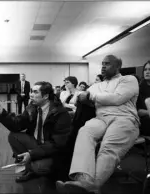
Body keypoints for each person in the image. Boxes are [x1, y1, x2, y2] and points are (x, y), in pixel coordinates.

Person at [56, 55, 139, 194]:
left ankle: (92, 186)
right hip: (101, 118)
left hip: (124, 118)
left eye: (107, 64)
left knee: (108, 147)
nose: (103, 66)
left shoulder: (129, 79)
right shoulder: (96, 85)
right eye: (102, 64)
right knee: (84, 132)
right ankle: (83, 181)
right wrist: (88, 96)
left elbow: (117, 98)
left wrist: (90, 96)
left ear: (118, 67)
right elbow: (77, 98)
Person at [0, 81, 71, 182]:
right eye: (31, 91)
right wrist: (2, 112)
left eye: (35, 92)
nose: (31, 95)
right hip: (37, 143)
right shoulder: (32, 107)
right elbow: (17, 125)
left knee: (37, 167)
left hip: (52, 150)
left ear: (46, 96)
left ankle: (35, 167)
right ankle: (28, 168)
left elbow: (57, 144)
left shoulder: (60, 113)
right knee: (14, 136)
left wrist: (32, 154)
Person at [137, 61, 150, 136]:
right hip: (145, 120)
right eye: (145, 70)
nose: (147, 72)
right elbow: (137, 110)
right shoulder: (139, 89)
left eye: (149, 69)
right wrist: (149, 112)